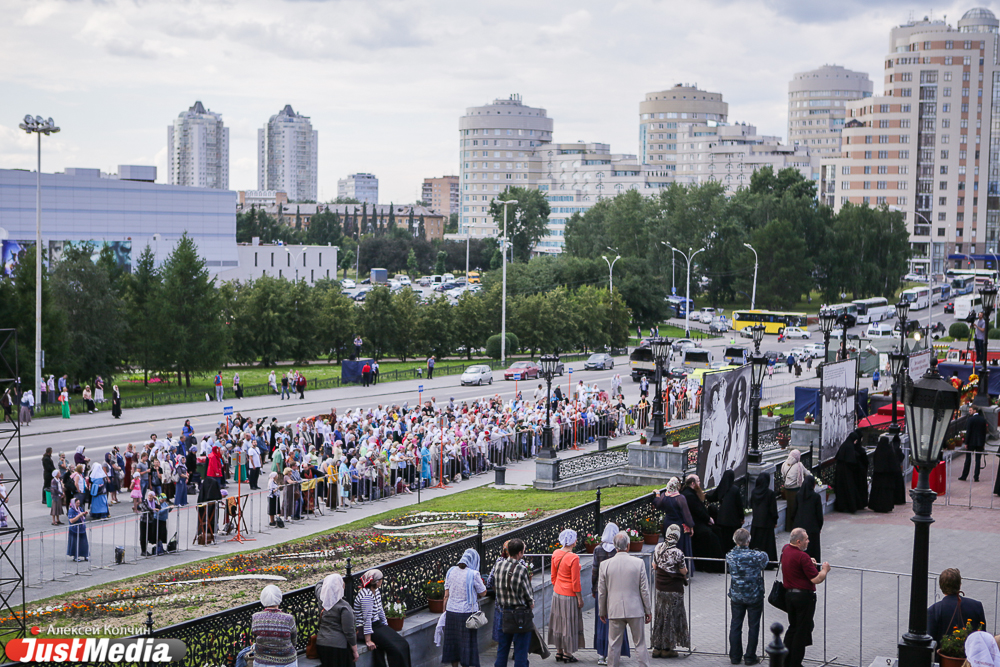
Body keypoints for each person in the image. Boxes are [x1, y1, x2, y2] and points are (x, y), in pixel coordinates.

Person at [598, 531, 651, 667]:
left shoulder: (605, 565)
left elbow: (602, 592)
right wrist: (648, 610)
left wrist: (602, 611)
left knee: (613, 645)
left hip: (615, 609)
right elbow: (644, 590)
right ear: (628, 545)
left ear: (615, 546)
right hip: (635, 609)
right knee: (640, 643)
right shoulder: (638, 563)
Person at [781, 528, 830, 667]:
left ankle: (785, 661)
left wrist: (809, 561)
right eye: (806, 539)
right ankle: (795, 663)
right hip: (803, 598)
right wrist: (825, 570)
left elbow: (798, 566)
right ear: (799, 541)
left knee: (793, 628)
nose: (808, 541)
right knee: (801, 632)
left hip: (789, 596)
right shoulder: (802, 556)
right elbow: (816, 579)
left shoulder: (785, 549)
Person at [726, 528, 769, 666]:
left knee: (735, 625)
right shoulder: (756, 556)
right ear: (748, 540)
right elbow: (765, 558)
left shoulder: (730, 555)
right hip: (754, 595)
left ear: (735, 541)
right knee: (753, 626)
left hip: (737, 595)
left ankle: (735, 656)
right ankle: (750, 656)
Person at [354, 569, 411, 667]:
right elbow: (367, 619)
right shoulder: (366, 596)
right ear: (377, 582)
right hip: (366, 628)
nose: (382, 581)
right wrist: (368, 640)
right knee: (395, 649)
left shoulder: (376, 591)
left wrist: (386, 627)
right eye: (381, 579)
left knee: (403, 644)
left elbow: (380, 610)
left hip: (377, 625)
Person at [492, 537, 534, 667]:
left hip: (503, 611)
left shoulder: (498, 565)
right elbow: (528, 593)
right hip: (519, 615)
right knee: (521, 650)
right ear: (520, 553)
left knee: (502, 649)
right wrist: (531, 603)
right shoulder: (521, 569)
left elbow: (494, 583)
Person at [592, 523, 630, 666]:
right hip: (616, 589)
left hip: (601, 589)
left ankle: (601, 654)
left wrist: (593, 588)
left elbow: (595, 570)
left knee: (601, 621)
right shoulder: (618, 550)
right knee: (617, 621)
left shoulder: (598, 549)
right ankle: (614, 653)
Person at [442, 548, 486, 667]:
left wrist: (444, 611)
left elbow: (446, 594)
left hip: (451, 612)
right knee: (467, 643)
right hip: (467, 613)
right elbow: (483, 592)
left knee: (453, 643)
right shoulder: (473, 574)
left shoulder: (451, 571)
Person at [650, 524, 689, 659]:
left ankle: (657, 647)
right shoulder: (678, 553)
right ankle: (667, 648)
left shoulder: (658, 547)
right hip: (673, 589)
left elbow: (654, 566)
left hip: (660, 588)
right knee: (671, 617)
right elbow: (683, 571)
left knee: (660, 616)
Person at [549, 529, 584, 662]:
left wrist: (558, 586)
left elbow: (553, 576)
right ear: (573, 541)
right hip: (569, 595)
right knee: (568, 624)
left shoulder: (556, 553)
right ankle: (568, 653)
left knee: (558, 622)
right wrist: (579, 598)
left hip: (557, 593)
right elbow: (575, 582)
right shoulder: (574, 558)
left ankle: (559, 651)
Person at [927, 568, 987, 644]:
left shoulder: (933, 610)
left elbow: (930, 641)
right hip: (970, 651)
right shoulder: (976, 606)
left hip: (943, 651)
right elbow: (983, 636)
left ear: (940, 586)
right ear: (959, 585)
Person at [681, 474, 724, 573]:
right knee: (712, 537)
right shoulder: (689, 495)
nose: (699, 483)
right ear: (693, 483)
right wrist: (708, 519)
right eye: (698, 481)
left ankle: (720, 563)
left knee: (717, 531)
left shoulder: (691, 493)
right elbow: (698, 510)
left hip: (698, 522)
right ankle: (713, 566)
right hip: (695, 524)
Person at [314, 573, 357, 667]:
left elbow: (318, 584)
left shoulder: (322, 599)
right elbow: (349, 631)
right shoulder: (344, 607)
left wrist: (331, 579)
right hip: (339, 646)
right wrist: (355, 650)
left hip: (322, 644)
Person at [251, 585, 298, 667]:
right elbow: (294, 640)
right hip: (286, 660)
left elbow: (255, 636)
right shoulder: (288, 618)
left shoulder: (255, 617)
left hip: (262, 660)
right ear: (279, 599)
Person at [652, 479, 693, 563]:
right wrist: (691, 526)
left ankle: (669, 564)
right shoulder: (680, 498)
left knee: (669, 545)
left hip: (668, 524)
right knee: (679, 546)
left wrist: (657, 494)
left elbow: (657, 503)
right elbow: (686, 514)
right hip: (678, 525)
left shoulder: (664, 496)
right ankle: (680, 566)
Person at [707, 470, 744, 553]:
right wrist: (741, 517)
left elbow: (713, 498)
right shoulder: (735, 489)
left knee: (724, 540)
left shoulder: (721, 488)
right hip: (733, 519)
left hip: (722, 519)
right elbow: (739, 505)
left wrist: (705, 496)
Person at [833, 429, 868, 513]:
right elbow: (851, 461)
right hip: (847, 473)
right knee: (848, 490)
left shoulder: (845, 445)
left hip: (840, 473)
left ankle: (841, 506)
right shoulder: (850, 447)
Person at [868, 434, 905, 513]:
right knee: (886, 492)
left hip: (878, 475)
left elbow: (874, 462)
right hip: (887, 476)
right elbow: (893, 463)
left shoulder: (878, 451)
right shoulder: (889, 451)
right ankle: (885, 506)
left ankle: (876, 505)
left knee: (877, 492)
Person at [792, 476, 824, 562]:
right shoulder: (816, 497)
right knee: (813, 549)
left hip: (799, 526)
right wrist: (819, 527)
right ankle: (813, 567)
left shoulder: (798, 495)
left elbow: (794, 511)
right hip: (812, 528)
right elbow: (819, 514)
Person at [748, 473, 778, 564]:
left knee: (756, 543)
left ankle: (754, 561)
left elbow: (750, 504)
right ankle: (769, 562)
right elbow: (773, 509)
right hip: (767, 522)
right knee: (768, 544)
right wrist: (775, 521)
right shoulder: (770, 493)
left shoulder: (754, 492)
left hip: (756, 521)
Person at [961, 405, 988, 482]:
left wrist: (966, 442)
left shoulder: (970, 419)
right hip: (980, 443)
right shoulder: (983, 419)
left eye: (970, 410)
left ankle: (964, 476)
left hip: (971, 442)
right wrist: (983, 443)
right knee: (978, 460)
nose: (969, 412)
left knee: (968, 459)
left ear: (975, 410)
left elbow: (968, 432)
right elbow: (984, 433)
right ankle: (976, 477)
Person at [781, 450, 806, 532]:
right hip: (795, 489)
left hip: (787, 489)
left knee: (789, 508)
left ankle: (788, 527)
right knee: (796, 508)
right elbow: (807, 473)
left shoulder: (784, 464)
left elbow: (783, 475)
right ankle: (795, 527)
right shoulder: (799, 465)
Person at [66, 498, 90, 562]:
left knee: (84, 542)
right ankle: (75, 556)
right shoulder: (71, 510)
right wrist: (79, 515)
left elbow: (82, 516)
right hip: (74, 529)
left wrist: (84, 514)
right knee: (75, 543)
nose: (78, 504)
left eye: (79, 503)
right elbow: (71, 521)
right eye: (77, 503)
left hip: (81, 528)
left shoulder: (80, 509)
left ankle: (85, 555)